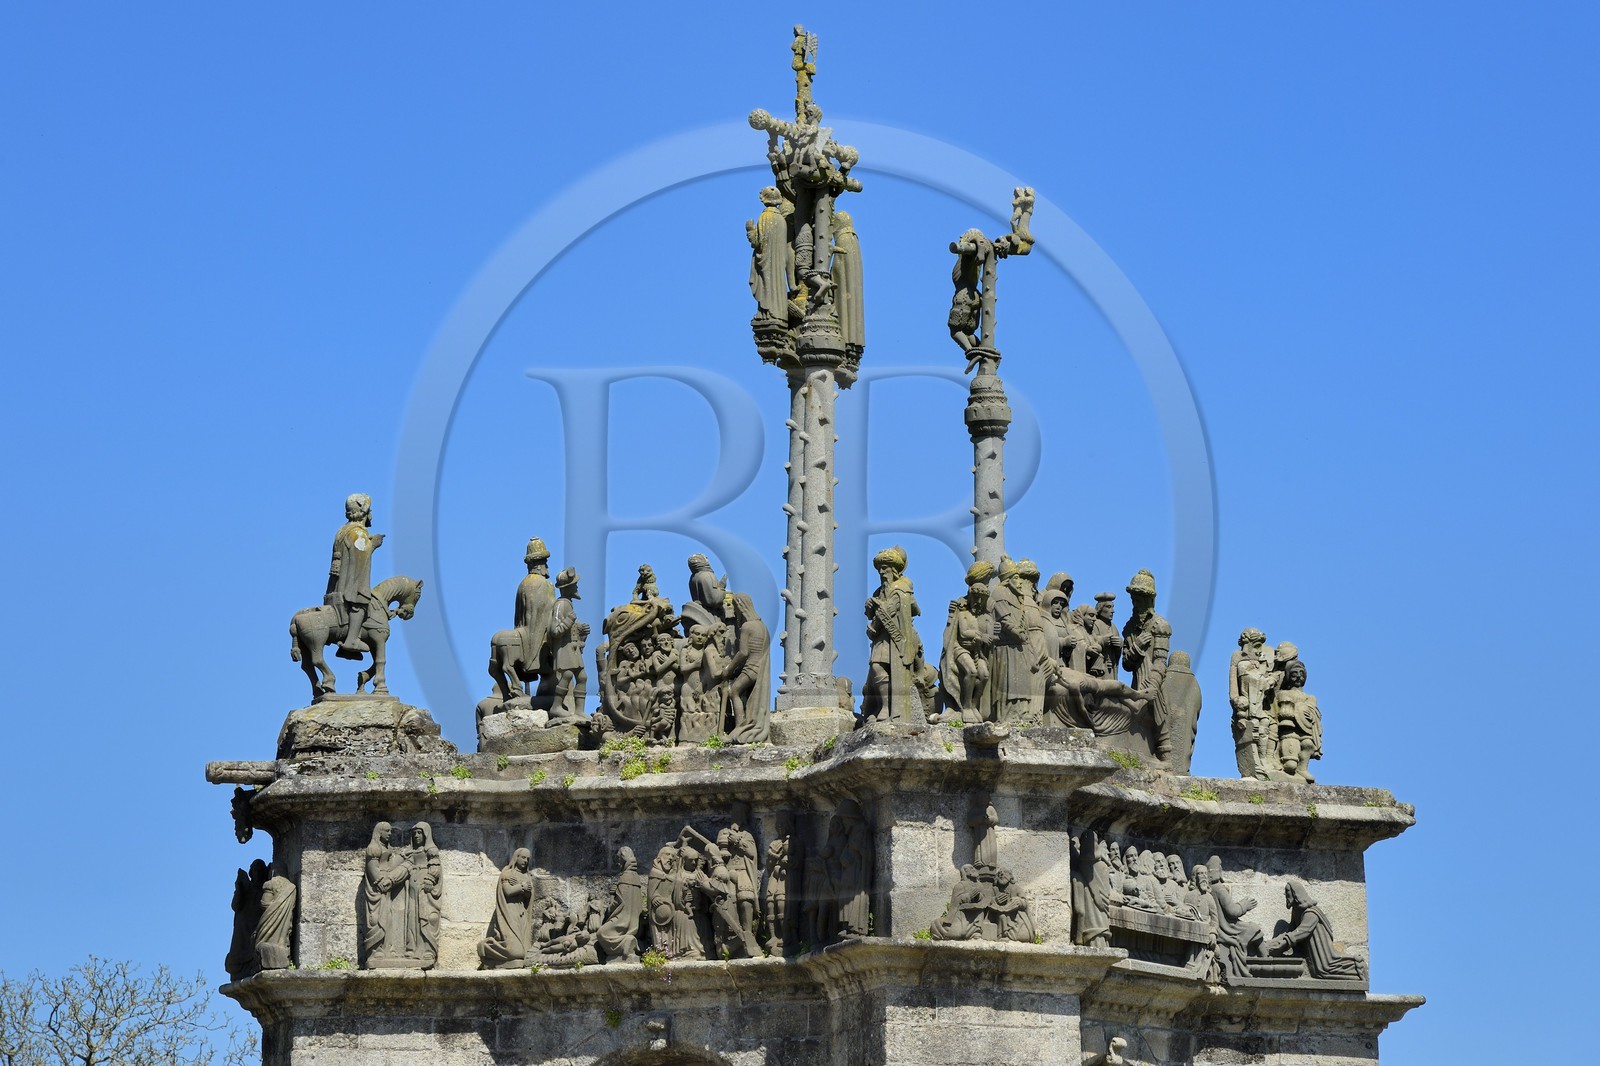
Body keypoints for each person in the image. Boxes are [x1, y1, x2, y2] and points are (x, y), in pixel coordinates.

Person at [862, 546, 931, 722]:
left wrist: (884, 610)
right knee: (876, 667)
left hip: (898, 637)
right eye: (879, 569)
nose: (882, 572)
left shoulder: (902, 588)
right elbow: (873, 613)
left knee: (901, 666)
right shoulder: (879, 591)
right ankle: (883, 707)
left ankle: (892, 709)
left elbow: (909, 609)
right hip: (882, 638)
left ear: (894, 569)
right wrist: (870, 606)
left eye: (885, 568)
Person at [1263, 879, 1367, 981]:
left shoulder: (1310, 912)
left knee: (1325, 969)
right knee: (1319, 971)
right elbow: (1291, 930)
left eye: (1287, 892)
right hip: (1311, 950)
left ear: (1295, 893)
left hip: (1320, 948)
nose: (1286, 896)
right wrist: (1272, 943)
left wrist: (1284, 942)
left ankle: (1356, 967)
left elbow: (1303, 931)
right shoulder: (1296, 911)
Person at [324, 493, 385, 660]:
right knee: (361, 600)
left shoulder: (342, 531)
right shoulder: (358, 534)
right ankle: (352, 639)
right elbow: (361, 559)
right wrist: (373, 545)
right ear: (365, 512)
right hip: (349, 584)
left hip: (337, 585)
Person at [938, 561, 996, 721]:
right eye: (975, 598)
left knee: (984, 675)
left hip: (977, 652)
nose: (977, 602)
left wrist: (991, 634)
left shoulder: (984, 615)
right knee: (971, 671)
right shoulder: (963, 612)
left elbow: (988, 632)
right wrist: (979, 636)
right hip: (960, 649)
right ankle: (966, 707)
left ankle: (973, 704)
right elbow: (963, 633)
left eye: (981, 600)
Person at [723, 593, 771, 744]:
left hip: (752, 667)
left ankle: (740, 728)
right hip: (761, 669)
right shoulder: (762, 626)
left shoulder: (747, 626)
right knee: (746, 695)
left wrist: (729, 669)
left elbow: (743, 652)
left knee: (734, 691)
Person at [477, 848, 536, 968]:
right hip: (509, 912)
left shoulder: (526, 876)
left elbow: (527, 896)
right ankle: (486, 947)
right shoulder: (507, 873)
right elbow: (508, 891)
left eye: (528, 859)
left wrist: (527, 890)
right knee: (516, 951)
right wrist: (521, 887)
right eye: (523, 858)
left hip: (521, 913)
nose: (525, 861)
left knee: (524, 952)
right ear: (516, 857)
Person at [545, 567, 589, 722]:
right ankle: (556, 707)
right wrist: (570, 621)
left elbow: (570, 628)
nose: (577, 587)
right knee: (568, 675)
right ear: (568, 587)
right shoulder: (561, 605)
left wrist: (580, 628)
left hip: (573, 647)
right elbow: (554, 630)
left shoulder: (568, 604)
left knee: (582, 677)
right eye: (575, 584)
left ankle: (579, 711)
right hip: (564, 649)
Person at [597, 847, 648, 963]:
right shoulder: (636, 877)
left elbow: (617, 904)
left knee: (601, 933)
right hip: (635, 923)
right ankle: (635, 943)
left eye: (619, 859)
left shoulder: (624, 877)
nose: (619, 862)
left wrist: (611, 896)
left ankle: (626, 942)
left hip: (623, 921)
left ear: (624, 859)